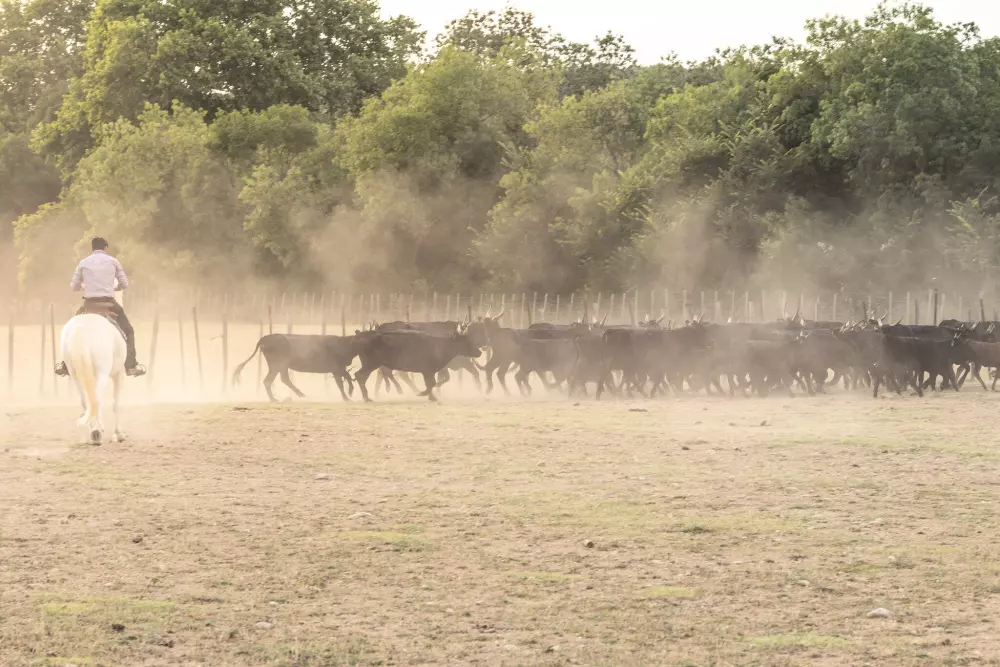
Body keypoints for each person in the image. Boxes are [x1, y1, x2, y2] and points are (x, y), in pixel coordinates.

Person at [54, 237, 146, 377]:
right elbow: (125, 284)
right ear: (106, 248)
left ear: (92, 248)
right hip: (109, 304)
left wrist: (84, 287)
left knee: (69, 331)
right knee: (129, 331)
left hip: (89, 305)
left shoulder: (83, 263)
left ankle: (65, 365)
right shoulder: (113, 262)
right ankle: (131, 365)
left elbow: (73, 286)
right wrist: (116, 286)